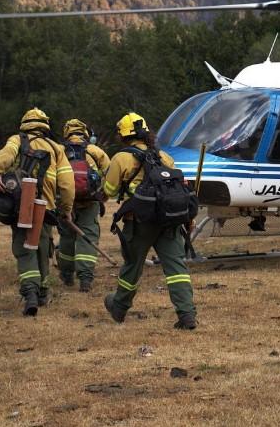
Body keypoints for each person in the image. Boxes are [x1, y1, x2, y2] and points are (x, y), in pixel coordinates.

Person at [102, 112, 197, 330]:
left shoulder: (121, 158)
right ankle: (187, 315)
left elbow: (110, 189)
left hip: (139, 222)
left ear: (123, 135)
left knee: (132, 266)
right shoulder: (164, 157)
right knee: (176, 268)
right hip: (169, 220)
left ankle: (119, 307)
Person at [0, 108, 74, 316]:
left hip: (22, 207)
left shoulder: (18, 140)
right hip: (46, 208)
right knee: (43, 248)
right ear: (45, 125)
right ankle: (43, 292)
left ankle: (30, 293)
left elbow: (4, 156)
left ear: (25, 124)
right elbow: (67, 184)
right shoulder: (56, 148)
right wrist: (66, 209)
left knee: (24, 248)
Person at [57, 118, 111, 292]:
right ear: (84, 132)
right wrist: (104, 194)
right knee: (88, 236)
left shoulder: (59, 151)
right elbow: (110, 174)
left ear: (66, 133)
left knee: (66, 237)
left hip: (65, 202)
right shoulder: (95, 151)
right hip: (90, 201)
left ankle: (67, 275)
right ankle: (85, 279)